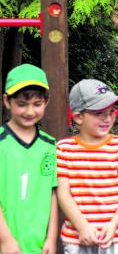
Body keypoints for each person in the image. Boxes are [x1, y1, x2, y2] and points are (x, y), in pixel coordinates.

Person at [57, 79, 118, 253]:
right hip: (77, 238)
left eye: (112, 112)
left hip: (116, 236)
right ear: (79, 117)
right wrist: (82, 227)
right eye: (99, 113)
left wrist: (113, 225)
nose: (108, 118)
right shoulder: (64, 149)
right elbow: (63, 193)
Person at [0, 64, 57, 253]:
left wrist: (51, 237)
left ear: (46, 101)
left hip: (38, 245)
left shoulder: (50, 145)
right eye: (22, 104)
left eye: (37, 104)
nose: (30, 111)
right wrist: (5, 239)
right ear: (7, 101)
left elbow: (52, 193)